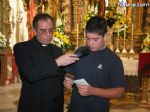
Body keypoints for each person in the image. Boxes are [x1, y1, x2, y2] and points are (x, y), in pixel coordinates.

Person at [13, 13, 79, 112]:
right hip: (34, 104)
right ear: (35, 31)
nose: (48, 35)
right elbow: (30, 75)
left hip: (55, 105)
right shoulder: (22, 48)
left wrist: (67, 80)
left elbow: (61, 75)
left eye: (51, 30)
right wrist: (57, 62)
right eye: (43, 31)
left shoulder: (57, 50)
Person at [64, 16, 126, 112]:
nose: (90, 43)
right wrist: (68, 80)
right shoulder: (80, 51)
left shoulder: (113, 60)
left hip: (97, 108)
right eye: (88, 39)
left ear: (105, 36)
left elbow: (119, 92)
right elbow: (71, 73)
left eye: (95, 39)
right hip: (75, 107)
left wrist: (92, 91)